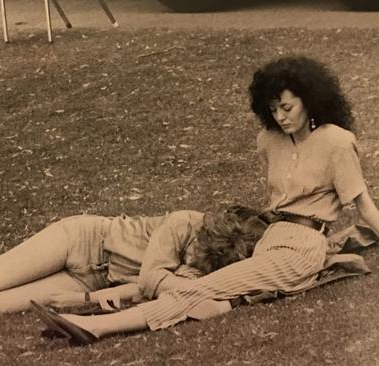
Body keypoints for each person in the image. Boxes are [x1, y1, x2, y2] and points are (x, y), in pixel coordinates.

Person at [32, 55, 379, 345]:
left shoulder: (337, 142)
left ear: (310, 99)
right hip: (268, 235)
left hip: (303, 246)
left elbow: (363, 206)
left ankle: (96, 327)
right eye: (273, 109)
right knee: (193, 275)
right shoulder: (268, 140)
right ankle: (104, 303)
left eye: (287, 107)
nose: (280, 116)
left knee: (200, 287)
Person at [0, 207, 263, 317]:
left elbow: (143, 290)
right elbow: (151, 279)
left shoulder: (212, 263)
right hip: (81, 242)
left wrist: (88, 302)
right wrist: (184, 286)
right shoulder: (184, 222)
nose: (192, 262)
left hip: (90, 283)